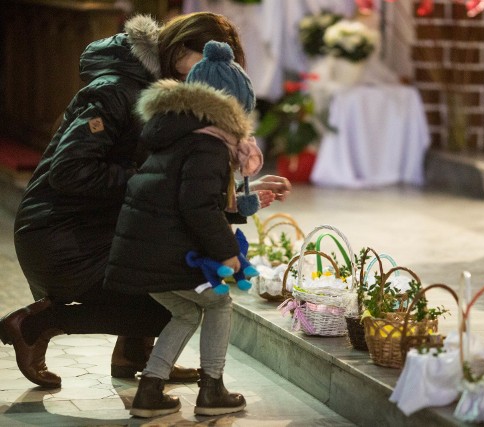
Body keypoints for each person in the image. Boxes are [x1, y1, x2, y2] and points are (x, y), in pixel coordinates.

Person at [0, 12, 291, 389]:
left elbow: (170, 180)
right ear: (181, 49)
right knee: (178, 292)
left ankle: (134, 354)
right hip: (60, 235)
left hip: (92, 229)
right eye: (201, 66)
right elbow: (70, 171)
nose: (206, 82)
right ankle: (37, 324)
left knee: (166, 250)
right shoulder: (114, 89)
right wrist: (155, 187)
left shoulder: (169, 93)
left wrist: (229, 194)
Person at [105, 39, 260, 418]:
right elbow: (197, 207)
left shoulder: (175, 134)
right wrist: (227, 252)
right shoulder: (207, 145)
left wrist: (239, 204)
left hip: (142, 253)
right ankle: (212, 389)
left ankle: (150, 391)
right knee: (220, 303)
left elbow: (181, 196)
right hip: (164, 253)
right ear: (229, 104)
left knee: (187, 313)